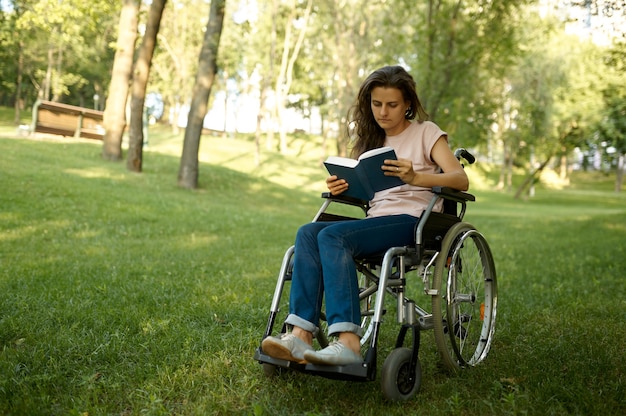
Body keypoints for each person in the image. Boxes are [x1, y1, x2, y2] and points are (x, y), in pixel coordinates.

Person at [261, 65, 469, 366]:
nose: (383, 112)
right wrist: (342, 188)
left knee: (332, 235)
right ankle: (299, 336)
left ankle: (348, 343)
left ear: (407, 104)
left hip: (414, 220)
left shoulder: (427, 133)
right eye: (376, 104)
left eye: (392, 105)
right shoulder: (371, 142)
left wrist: (416, 177)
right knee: (308, 232)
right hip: (376, 220)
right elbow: (368, 192)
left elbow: (460, 179)